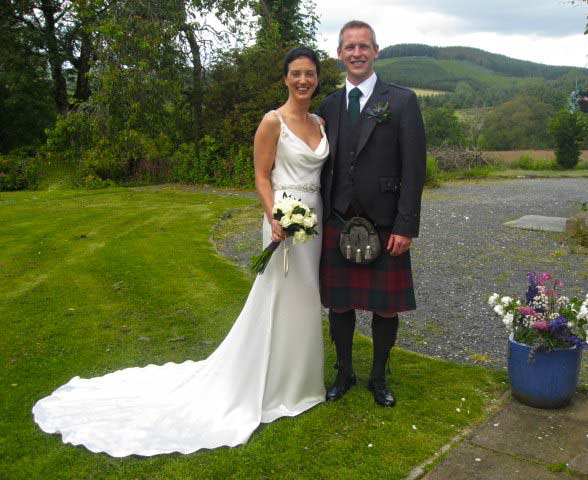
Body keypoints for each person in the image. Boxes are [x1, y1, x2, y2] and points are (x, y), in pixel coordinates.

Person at [32, 47, 330, 457]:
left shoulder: (319, 122)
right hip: (282, 219)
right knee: (279, 295)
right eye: (295, 73)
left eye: (309, 73)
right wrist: (273, 216)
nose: (303, 80)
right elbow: (261, 175)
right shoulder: (271, 121)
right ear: (285, 78)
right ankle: (269, 385)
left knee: (306, 297)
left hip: (314, 221)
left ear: (317, 78)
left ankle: (302, 384)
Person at [318, 20, 426, 407]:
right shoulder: (328, 105)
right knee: (339, 303)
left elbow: (415, 168)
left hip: (384, 223)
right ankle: (344, 371)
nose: (357, 53)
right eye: (350, 47)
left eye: (364, 46)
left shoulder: (401, 101)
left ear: (376, 51)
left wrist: (406, 224)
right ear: (339, 54)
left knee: (385, 306)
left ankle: (379, 377)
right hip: (338, 220)